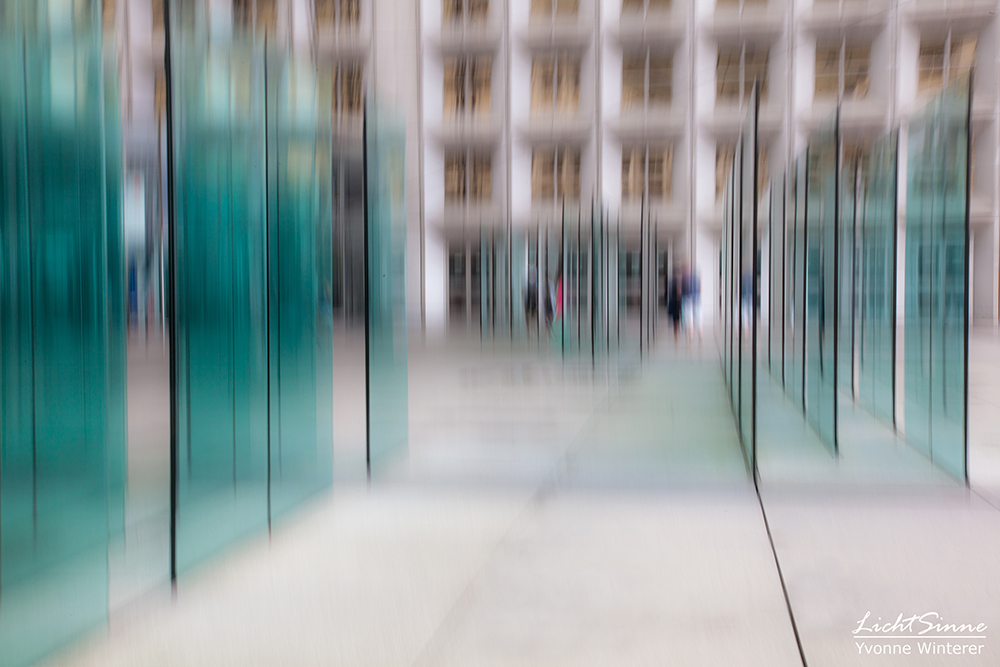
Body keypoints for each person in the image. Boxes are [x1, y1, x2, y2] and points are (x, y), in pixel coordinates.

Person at [667, 268, 683, 342]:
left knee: (675, 321)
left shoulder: (672, 281)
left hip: (675, 302)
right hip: (679, 302)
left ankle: (676, 339)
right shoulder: (680, 280)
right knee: (680, 319)